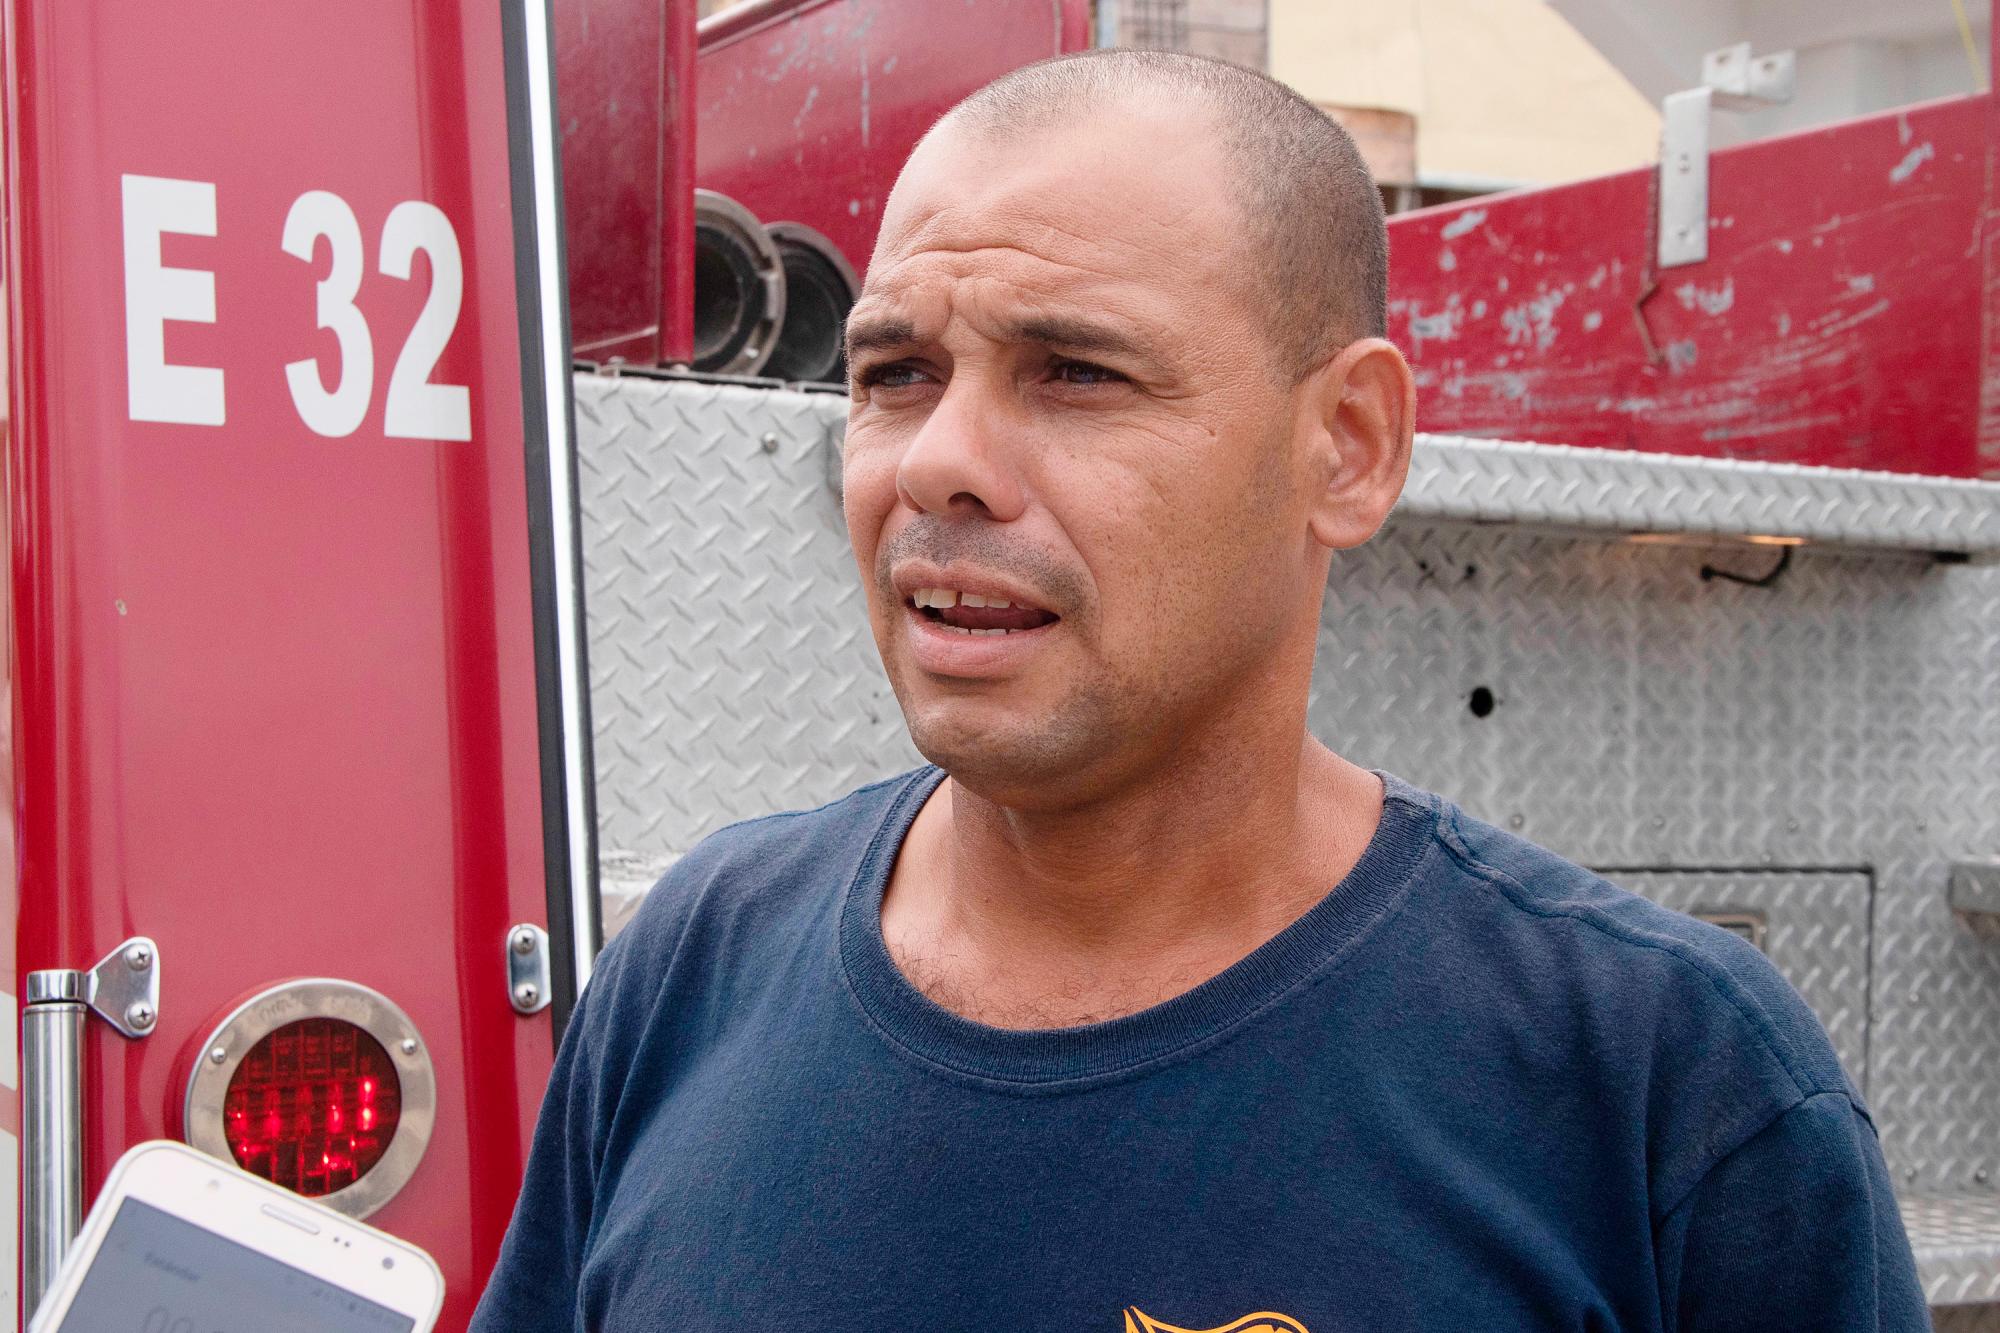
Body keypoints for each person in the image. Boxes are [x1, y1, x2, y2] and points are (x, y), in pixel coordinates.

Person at [472, 49, 1928, 1331]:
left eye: (1078, 373)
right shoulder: (693, 966)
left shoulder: (1663, 1087)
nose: (935, 461)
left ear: (1348, 446)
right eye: (898, 373)